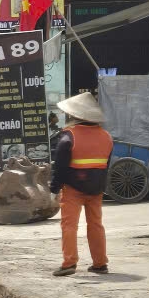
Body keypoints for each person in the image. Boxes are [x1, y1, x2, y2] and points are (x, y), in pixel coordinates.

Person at [49, 92, 114, 277]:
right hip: (96, 188)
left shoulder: (68, 137)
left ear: (74, 115)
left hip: (73, 189)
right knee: (96, 225)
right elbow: (105, 165)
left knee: (69, 226)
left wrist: (54, 188)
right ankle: (100, 264)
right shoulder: (106, 136)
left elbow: (60, 169)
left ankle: (69, 263)